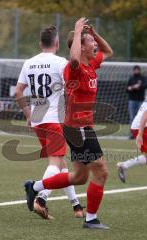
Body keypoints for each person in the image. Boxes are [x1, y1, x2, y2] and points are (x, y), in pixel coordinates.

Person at [25, 17, 113, 229]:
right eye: (90, 41)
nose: (95, 45)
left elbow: (108, 51)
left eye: (93, 41)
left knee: (80, 177)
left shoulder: (91, 63)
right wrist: (76, 30)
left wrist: (93, 33)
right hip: (77, 128)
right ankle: (91, 218)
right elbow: (73, 59)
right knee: (101, 171)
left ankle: (34, 186)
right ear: (80, 47)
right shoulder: (73, 68)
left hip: (82, 128)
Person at [15, 25, 84, 219]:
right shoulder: (60, 62)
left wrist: (28, 114)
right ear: (57, 43)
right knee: (55, 163)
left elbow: (18, 92)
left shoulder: (29, 62)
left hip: (38, 120)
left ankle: (76, 206)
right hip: (54, 118)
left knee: (61, 164)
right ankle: (40, 197)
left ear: (40, 43)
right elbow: (72, 82)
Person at [117, 100, 147, 183]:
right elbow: (145, 115)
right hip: (141, 127)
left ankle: (124, 165)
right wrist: (140, 135)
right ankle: (124, 165)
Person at [127, 65, 146, 138]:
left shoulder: (143, 78)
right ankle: (132, 134)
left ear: (139, 70)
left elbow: (145, 86)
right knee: (132, 117)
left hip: (141, 101)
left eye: (137, 70)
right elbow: (127, 89)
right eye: (135, 70)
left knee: (142, 118)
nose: (136, 71)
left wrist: (139, 86)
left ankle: (142, 134)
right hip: (132, 100)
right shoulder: (131, 78)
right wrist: (132, 87)